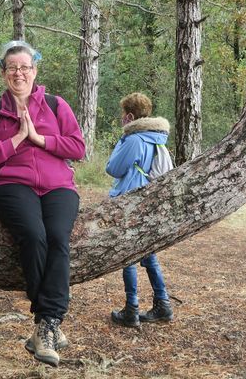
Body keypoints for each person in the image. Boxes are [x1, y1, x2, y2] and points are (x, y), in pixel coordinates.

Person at [0, 40, 86, 367]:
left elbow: (77, 148)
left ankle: (45, 325)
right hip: (11, 184)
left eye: (25, 67)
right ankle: (49, 322)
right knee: (34, 236)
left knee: (57, 237)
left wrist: (39, 139)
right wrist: (17, 139)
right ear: (4, 74)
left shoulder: (55, 105)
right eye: (12, 68)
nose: (19, 73)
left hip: (58, 186)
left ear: (35, 71)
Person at [106, 92, 174, 329]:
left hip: (131, 200)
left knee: (129, 256)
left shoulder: (134, 139)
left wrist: (122, 140)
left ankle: (131, 309)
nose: (122, 118)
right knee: (148, 253)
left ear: (130, 116)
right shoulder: (158, 138)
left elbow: (113, 168)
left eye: (124, 114)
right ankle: (162, 302)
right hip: (150, 202)